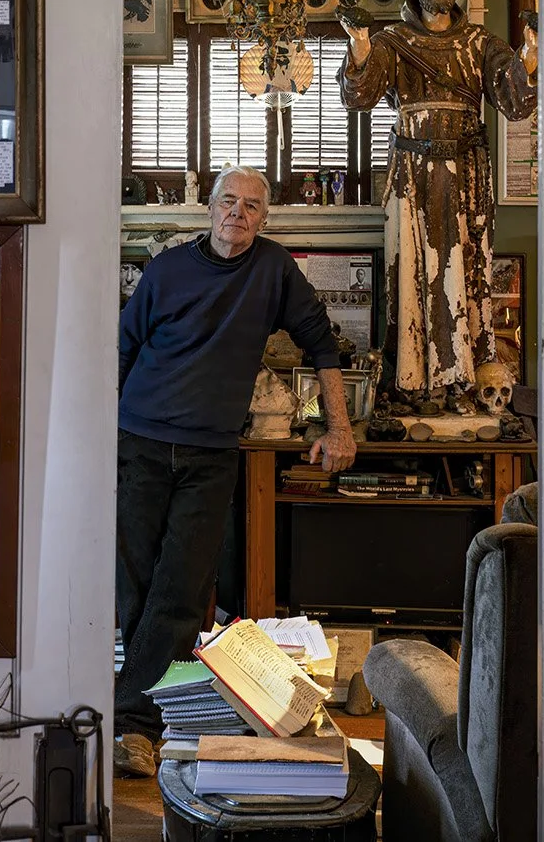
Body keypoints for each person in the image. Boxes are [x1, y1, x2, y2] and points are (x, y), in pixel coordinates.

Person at [113, 166, 355, 776]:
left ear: (264, 218)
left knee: (180, 585)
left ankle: (133, 726)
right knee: (136, 586)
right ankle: (159, 713)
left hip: (211, 451)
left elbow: (322, 345)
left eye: (251, 206)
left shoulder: (274, 271)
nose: (237, 215)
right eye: (228, 202)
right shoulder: (167, 270)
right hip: (139, 439)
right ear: (209, 208)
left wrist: (340, 426)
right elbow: (122, 348)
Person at [339, 0, 535, 412]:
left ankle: (465, 378)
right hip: (412, 176)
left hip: (467, 174)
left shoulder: (480, 43)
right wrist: (361, 45)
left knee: (466, 268)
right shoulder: (394, 40)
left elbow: (517, 103)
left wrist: (529, 56)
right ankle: (410, 377)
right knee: (410, 270)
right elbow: (359, 97)